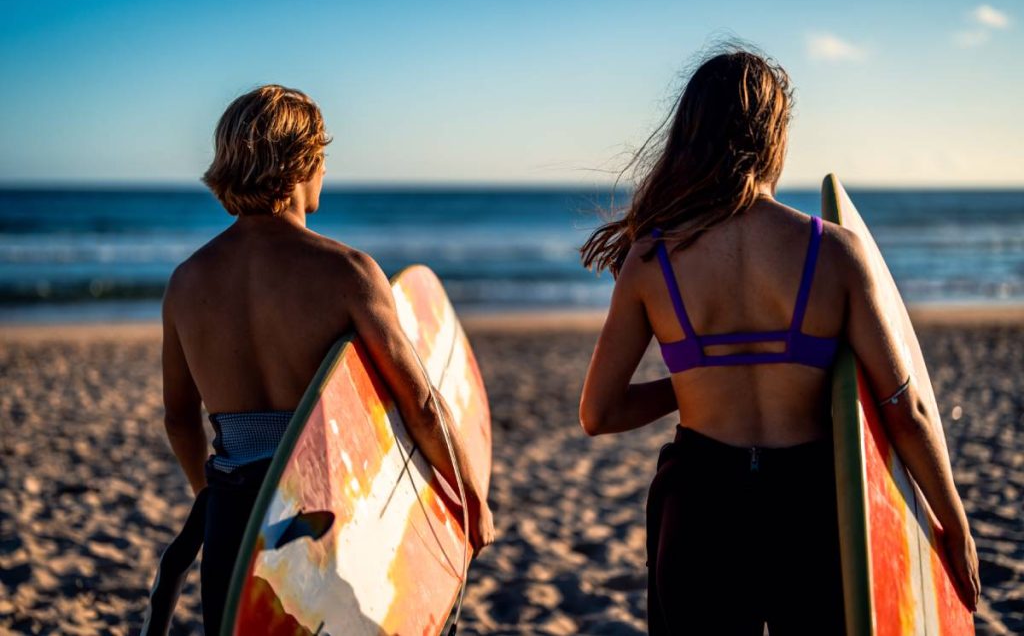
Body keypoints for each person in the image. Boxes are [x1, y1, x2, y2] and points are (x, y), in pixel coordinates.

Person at [578, 48, 979, 633]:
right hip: (811, 508)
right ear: (773, 136)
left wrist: (694, 382)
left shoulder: (651, 259)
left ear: (691, 135)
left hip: (699, 506)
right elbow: (906, 408)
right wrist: (955, 524)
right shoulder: (836, 252)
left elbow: (599, 412)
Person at [148, 85, 494, 634]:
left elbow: (177, 417)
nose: (325, 174)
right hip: (327, 513)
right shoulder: (347, 273)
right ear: (302, 163)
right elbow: (422, 403)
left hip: (236, 513)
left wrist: (210, 497)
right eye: (323, 160)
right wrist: (471, 496)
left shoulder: (186, 282)